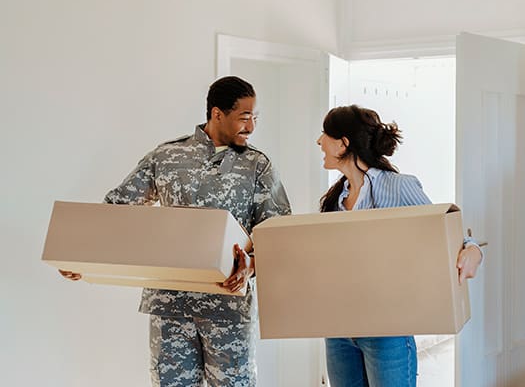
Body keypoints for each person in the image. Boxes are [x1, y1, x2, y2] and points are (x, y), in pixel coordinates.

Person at [60, 75, 291, 387]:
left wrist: (251, 266)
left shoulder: (257, 165)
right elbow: (116, 209)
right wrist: (80, 258)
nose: (251, 127)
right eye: (244, 117)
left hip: (227, 308)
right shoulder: (166, 157)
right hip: (170, 307)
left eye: (255, 118)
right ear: (217, 114)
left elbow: (276, 232)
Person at [316, 104, 482, 387]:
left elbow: (448, 232)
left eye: (325, 135)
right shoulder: (334, 199)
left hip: (387, 331)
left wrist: (473, 251)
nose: (319, 141)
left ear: (344, 143)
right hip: (339, 331)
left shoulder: (398, 187)